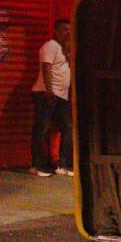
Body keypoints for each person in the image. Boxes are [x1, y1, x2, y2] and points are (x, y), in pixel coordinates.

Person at [29, 18, 73, 177]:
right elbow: (46, 68)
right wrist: (49, 90)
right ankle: (37, 165)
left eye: (69, 29)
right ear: (56, 31)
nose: (67, 32)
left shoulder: (65, 48)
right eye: (64, 29)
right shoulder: (50, 46)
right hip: (46, 93)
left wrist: (68, 51)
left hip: (61, 95)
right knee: (42, 128)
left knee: (67, 128)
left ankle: (62, 164)